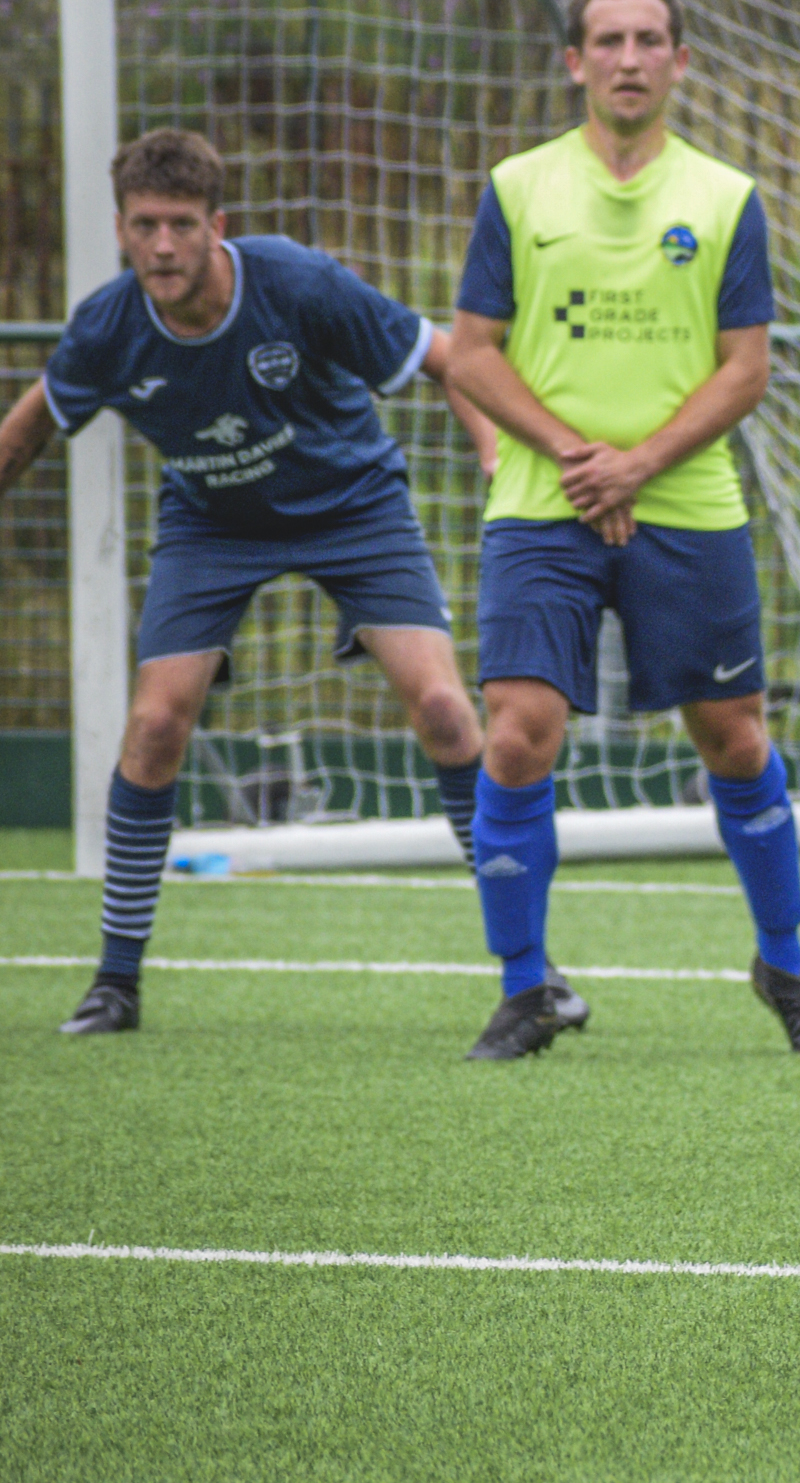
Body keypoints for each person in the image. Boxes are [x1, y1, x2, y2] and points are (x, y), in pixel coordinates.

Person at [0, 128, 502, 1034]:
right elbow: (27, 430)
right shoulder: (109, 328)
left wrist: (497, 449)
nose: (162, 246)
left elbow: (450, 358)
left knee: (445, 711)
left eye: (181, 225)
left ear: (215, 225)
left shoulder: (297, 281)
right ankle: (116, 983)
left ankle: (525, 968)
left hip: (354, 506)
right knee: (154, 723)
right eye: (146, 225)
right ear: (121, 228)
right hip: (212, 525)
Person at [447, 0, 800, 1062]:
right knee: (519, 732)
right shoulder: (519, 188)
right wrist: (578, 456)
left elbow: (745, 369)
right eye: (608, 40)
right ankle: (525, 986)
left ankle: (783, 960)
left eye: (649, 39)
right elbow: (470, 351)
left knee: (733, 735)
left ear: (680, 61)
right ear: (575, 62)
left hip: (687, 505)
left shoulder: (724, 197)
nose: (629, 57)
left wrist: (641, 463)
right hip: (544, 502)